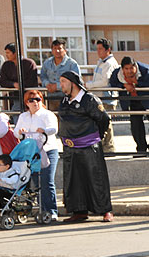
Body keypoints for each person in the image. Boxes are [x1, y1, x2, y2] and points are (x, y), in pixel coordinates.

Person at [57, 71, 113, 223]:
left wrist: (95, 137)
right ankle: (79, 211)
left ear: (73, 83)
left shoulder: (89, 100)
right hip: (70, 148)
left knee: (96, 179)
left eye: (63, 81)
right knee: (74, 180)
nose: (60, 84)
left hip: (89, 146)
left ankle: (106, 210)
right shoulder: (64, 100)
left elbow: (104, 119)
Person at [14, 90, 60, 220]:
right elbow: (16, 132)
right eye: (31, 100)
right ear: (26, 103)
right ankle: (42, 209)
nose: (35, 103)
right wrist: (20, 132)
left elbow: (54, 129)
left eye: (38, 99)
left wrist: (44, 131)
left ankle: (51, 210)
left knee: (47, 180)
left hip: (48, 150)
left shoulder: (47, 114)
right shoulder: (23, 117)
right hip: (31, 153)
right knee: (36, 183)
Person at [109, 56, 149, 153]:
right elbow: (112, 82)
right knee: (136, 126)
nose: (129, 71)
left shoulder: (145, 70)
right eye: (126, 69)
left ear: (135, 66)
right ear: (122, 69)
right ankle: (141, 149)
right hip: (133, 100)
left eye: (131, 68)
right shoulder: (117, 73)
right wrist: (124, 85)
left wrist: (136, 82)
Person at [85, 38, 118, 153]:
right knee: (101, 124)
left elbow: (105, 82)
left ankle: (109, 148)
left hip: (107, 98)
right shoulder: (101, 62)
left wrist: (90, 85)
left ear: (108, 50)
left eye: (100, 49)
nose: (98, 51)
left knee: (106, 124)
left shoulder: (109, 63)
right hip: (99, 97)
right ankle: (104, 147)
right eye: (97, 49)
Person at [0, 43, 38, 120]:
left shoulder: (29, 63)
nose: (6, 55)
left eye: (8, 53)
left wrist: (21, 85)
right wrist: (13, 84)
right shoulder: (6, 65)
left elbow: (32, 81)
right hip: (15, 96)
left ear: (15, 53)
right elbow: (2, 81)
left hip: (30, 95)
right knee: (16, 112)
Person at [40, 39, 80, 110]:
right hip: (50, 97)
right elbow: (43, 75)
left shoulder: (72, 64)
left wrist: (57, 86)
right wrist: (47, 84)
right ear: (52, 51)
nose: (57, 51)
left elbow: (76, 80)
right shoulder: (47, 63)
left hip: (66, 97)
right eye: (55, 48)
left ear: (65, 50)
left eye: (59, 48)